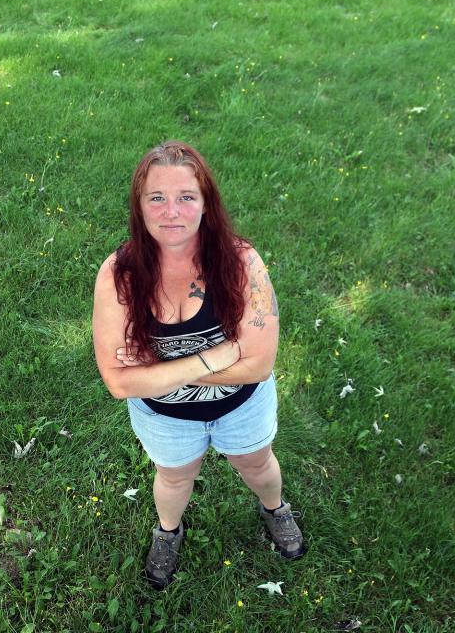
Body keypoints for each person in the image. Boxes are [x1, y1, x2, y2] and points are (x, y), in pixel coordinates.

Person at [92, 140, 305, 589]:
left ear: (206, 204)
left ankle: (275, 508)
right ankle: (168, 533)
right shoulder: (119, 274)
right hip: (166, 417)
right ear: (140, 205)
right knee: (173, 477)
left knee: (257, 464)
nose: (172, 211)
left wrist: (154, 369)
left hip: (241, 406)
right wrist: (214, 355)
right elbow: (116, 381)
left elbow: (259, 365)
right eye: (157, 198)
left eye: (186, 197)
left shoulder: (242, 263)